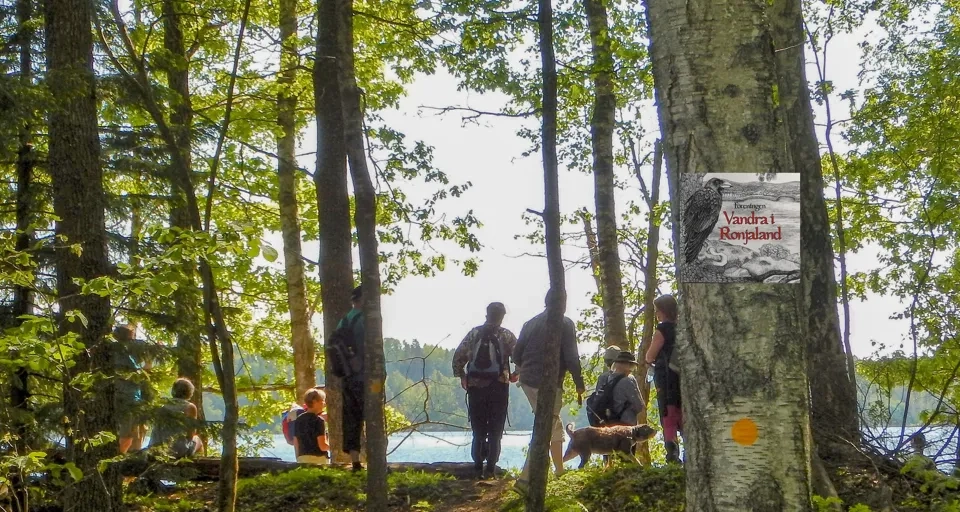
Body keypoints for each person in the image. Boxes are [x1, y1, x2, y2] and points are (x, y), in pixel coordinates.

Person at [513, 289, 586, 490]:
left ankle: (560, 470)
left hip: (527, 381)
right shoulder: (564, 323)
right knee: (545, 427)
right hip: (549, 384)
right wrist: (579, 383)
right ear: (563, 302)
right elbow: (571, 357)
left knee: (554, 424)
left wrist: (528, 367)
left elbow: (516, 355)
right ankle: (525, 480)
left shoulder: (530, 323)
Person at [452, 302, 517, 480]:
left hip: (475, 387)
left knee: (478, 430)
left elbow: (458, 357)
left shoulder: (474, 333)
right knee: (496, 431)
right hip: (499, 386)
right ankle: (491, 470)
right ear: (502, 316)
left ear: (487, 314)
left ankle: (478, 468)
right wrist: (515, 373)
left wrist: (462, 376)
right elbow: (521, 355)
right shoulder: (506, 335)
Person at [644, 294, 683, 463]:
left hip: (666, 379)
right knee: (683, 413)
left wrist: (649, 361)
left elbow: (650, 355)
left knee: (668, 415)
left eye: (657, 310)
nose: (656, 314)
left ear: (662, 311)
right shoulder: (683, 328)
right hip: (683, 379)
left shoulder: (662, 330)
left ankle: (672, 455)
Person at [338, 285, 366, 472]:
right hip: (364, 376)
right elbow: (369, 347)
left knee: (351, 418)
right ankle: (377, 460)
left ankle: (355, 461)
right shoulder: (365, 320)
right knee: (372, 417)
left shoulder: (344, 320)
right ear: (362, 299)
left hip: (347, 376)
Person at [113, 324, 151, 454]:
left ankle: (120, 462)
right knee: (126, 436)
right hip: (128, 400)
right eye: (132, 338)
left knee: (132, 437)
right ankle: (116, 460)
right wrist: (148, 365)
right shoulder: (123, 355)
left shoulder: (124, 354)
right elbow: (137, 376)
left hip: (130, 399)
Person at [149, 378, 202, 459]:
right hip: (175, 450)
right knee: (198, 440)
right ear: (190, 392)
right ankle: (195, 467)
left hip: (155, 449)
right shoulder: (189, 407)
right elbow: (191, 434)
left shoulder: (163, 405)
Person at [608, 351, 645, 426]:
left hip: (610, 423)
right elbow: (639, 405)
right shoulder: (627, 381)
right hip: (626, 423)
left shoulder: (609, 378)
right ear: (628, 365)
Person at [294, 388, 330, 464]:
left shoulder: (298, 419)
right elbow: (323, 446)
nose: (324, 403)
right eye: (322, 400)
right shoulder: (318, 420)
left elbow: (296, 442)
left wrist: (298, 458)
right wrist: (336, 447)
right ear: (315, 402)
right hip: (318, 460)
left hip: (302, 459)